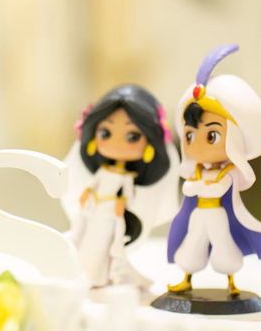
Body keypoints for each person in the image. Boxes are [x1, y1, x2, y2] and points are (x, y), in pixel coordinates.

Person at [63, 84, 179, 288]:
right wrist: (87, 193)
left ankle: (100, 276)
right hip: (94, 209)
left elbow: (128, 195)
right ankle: (85, 273)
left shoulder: (127, 178)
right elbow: (93, 184)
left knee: (106, 245)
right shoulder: (103, 172)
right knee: (85, 240)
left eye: (132, 136)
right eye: (105, 133)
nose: (117, 143)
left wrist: (122, 204)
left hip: (111, 214)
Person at [167, 44, 261, 296]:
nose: (197, 144)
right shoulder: (198, 171)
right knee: (192, 243)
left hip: (219, 215)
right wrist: (195, 185)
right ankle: (187, 277)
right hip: (199, 215)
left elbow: (218, 188)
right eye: (190, 135)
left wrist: (198, 185)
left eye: (211, 136)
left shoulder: (227, 172)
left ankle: (231, 281)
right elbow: (189, 189)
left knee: (224, 245)